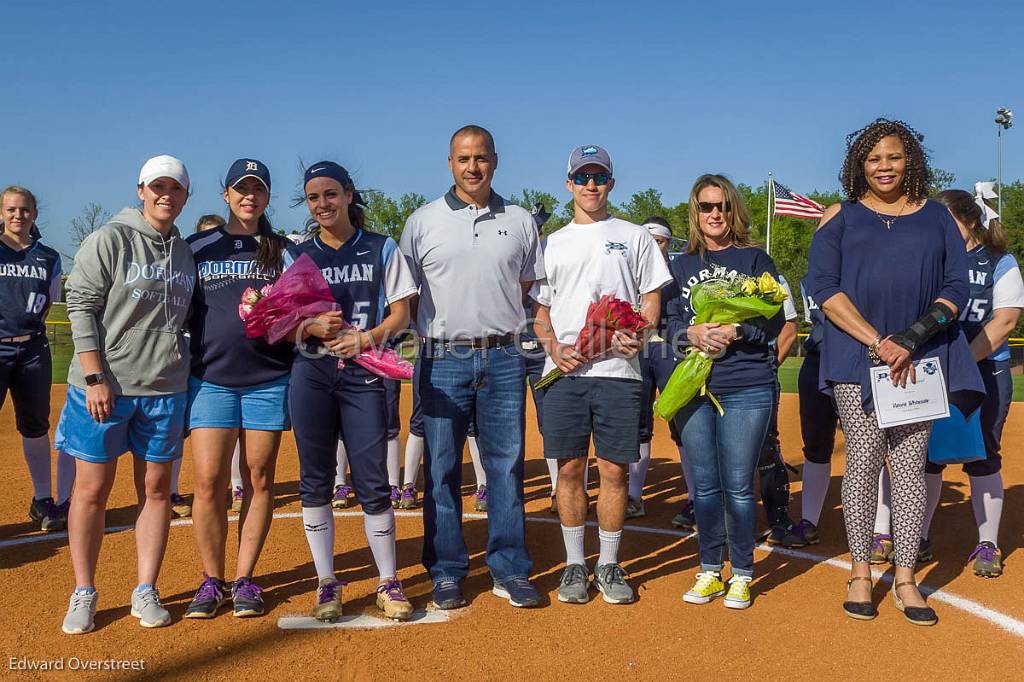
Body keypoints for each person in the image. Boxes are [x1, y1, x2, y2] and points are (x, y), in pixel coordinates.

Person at [807, 118, 983, 626]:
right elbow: (822, 285)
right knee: (862, 464)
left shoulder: (937, 218)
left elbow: (956, 286)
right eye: (873, 158)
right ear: (859, 164)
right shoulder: (840, 216)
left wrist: (912, 337)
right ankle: (860, 572)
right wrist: (878, 340)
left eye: (894, 157)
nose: (883, 167)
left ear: (911, 162)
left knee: (908, 470)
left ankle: (905, 578)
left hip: (920, 359)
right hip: (856, 359)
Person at [400, 125, 544, 609]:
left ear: (495, 161)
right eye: (463, 159)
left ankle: (509, 568)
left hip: (505, 354)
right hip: (443, 356)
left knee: (505, 467)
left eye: (481, 158)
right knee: (441, 469)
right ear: (449, 163)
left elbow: (530, 288)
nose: (472, 167)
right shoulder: (422, 222)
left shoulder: (522, 220)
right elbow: (405, 293)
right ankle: (445, 570)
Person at [57, 155, 196, 634]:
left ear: (185, 195)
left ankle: (146, 588)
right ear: (141, 190)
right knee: (92, 491)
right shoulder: (110, 238)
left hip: (165, 388)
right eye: (157, 187)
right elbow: (80, 303)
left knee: (156, 490)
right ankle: (84, 591)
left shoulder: (184, 251)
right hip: (106, 389)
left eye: (175, 189)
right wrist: (95, 376)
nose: (165, 195)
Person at [533, 145, 671, 605]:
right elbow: (540, 314)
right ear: (568, 183)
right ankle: (575, 564)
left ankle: (609, 564)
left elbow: (651, 299)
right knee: (569, 469)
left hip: (620, 372)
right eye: (582, 177)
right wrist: (555, 346)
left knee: (614, 471)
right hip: (565, 373)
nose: (591, 185)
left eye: (600, 177)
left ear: (611, 182)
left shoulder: (635, 237)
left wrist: (642, 332)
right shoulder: (551, 242)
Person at [291, 161, 417, 621]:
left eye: (330, 194)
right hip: (312, 372)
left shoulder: (381, 247)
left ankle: (388, 579)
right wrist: (308, 324)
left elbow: (402, 314)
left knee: (371, 479)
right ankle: (328, 582)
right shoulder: (297, 254)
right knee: (315, 477)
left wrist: (366, 338)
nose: (322, 204)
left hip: (365, 371)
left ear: (348, 195)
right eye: (313, 197)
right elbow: (284, 324)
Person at [182, 159, 294, 619]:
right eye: (241, 189)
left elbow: (304, 313)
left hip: (268, 379)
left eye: (258, 190)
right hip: (211, 378)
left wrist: (281, 316)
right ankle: (213, 579)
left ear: (267, 197)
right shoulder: (196, 246)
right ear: (225, 194)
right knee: (208, 483)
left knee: (259, 477)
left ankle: (245, 578)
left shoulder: (283, 250)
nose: (250, 196)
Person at [667, 174, 784, 610]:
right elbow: (664, 323)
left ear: (733, 210)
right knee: (704, 487)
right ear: (695, 213)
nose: (714, 214)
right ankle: (710, 570)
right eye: (705, 207)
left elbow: (774, 322)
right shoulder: (679, 266)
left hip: (745, 384)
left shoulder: (756, 260)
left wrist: (738, 329)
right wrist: (689, 331)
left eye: (722, 206)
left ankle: (743, 573)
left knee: (737, 485)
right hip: (694, 387)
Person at [920, 189, 1022, 577]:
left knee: (983, 456)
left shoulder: (1000, 260)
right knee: (927, 457)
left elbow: (1005, 322)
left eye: (948, 222)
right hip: (934, 371)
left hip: (984, 370)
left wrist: (959, 361)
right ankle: (919, 536)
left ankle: (988, 544)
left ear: (972, 221)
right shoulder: (935, 259)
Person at [1, 186, 73, 532]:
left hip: (32, 348)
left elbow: (52, 301)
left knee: (35, 425)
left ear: (35, 214)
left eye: (25, 210)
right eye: (12, 209)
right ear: (2, 213)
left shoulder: (48, 257)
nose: (18, 216)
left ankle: (43, 499)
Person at [168, 213, 228, 521]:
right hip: (185, 353)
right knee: (177, 428)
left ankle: (235, 487)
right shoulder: (190, 257)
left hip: (214, 359)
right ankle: (171, 489)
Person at [626, 216, 683, 520]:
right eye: (648, 239)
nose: (653, 245)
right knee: (638, 423)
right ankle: (635, 495)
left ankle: (697, 500)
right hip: (637, 349)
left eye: (659, 240)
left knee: (682, 421)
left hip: (668, 348)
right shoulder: (630, 268)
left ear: (668, 243)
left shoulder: (678, 272)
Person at [791, 273, 839, 542]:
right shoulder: (809, 278)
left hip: (858, 360)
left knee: (871, 447)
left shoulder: (864, 263)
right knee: (816, 445)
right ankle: (809, 521)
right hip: (817, 361)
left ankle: (880, 531)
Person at [757, 275, 801, 545]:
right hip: (714, 375)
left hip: (758, 377)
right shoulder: (699, 268)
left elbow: (789, 328)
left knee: (766, 446)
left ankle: (780, 519)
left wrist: (770, 366)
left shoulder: (771, 276)